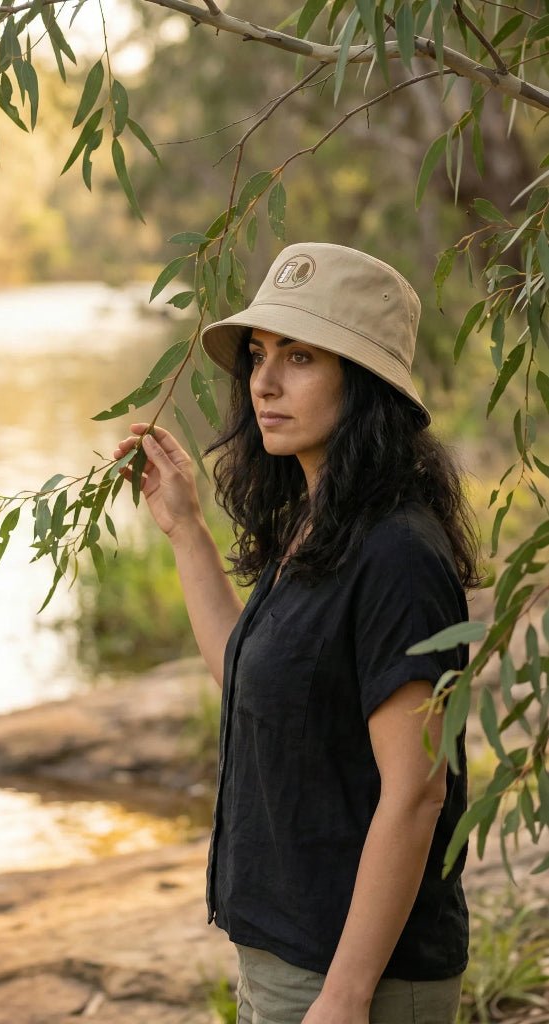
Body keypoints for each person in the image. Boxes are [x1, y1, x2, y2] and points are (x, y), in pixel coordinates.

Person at [113, 242, 480, 1024]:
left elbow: (415, 792)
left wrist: (344, 997)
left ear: (366, 384)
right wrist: (185, 532)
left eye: (301, 357)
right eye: (258, 355)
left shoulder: (396, 555)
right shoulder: (318, 522)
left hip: (358, 979)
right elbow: (249, 681)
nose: (264, 383)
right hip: (283, 957)